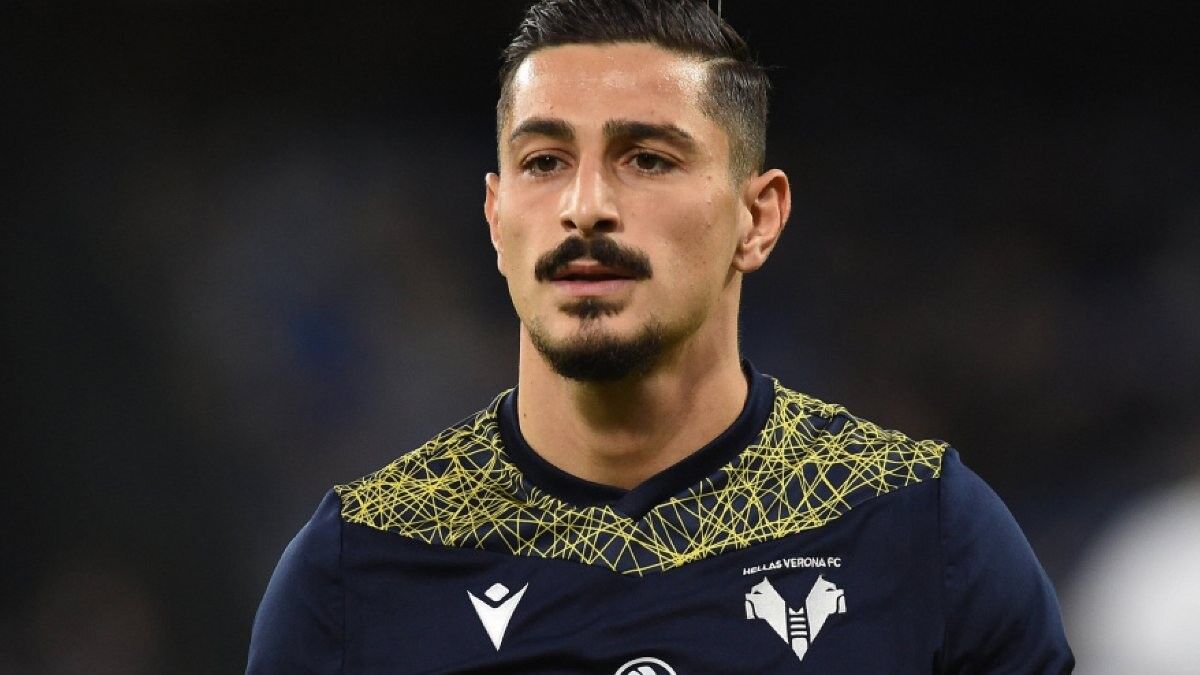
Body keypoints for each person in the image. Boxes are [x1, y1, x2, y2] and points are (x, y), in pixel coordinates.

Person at [247, 1, 1074, 672]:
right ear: (496, 219)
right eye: (544, 161)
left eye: (646, 158)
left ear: (758, 217)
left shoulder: (918, 528)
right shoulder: (357, 566)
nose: (586, 207)